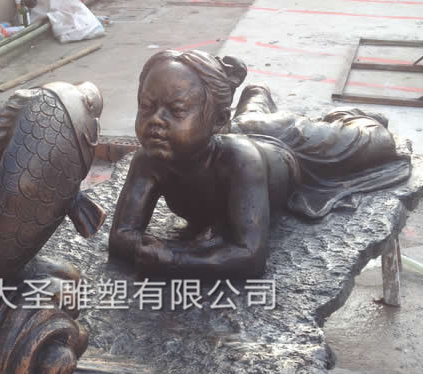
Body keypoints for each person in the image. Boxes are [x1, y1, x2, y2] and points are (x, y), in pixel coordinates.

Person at [108, 50, 411, 278]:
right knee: (251, 120)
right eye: (147, 106)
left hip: (287, 148)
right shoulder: (149, 160)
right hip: (241, 129)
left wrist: (174, 258)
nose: (156, 121)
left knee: (379, 142)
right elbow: (121, 236)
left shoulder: (240, 161)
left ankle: (345, 117)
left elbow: (250, 257)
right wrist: (156, 251)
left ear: (218, 121)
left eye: (175, 111)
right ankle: (256, 95)